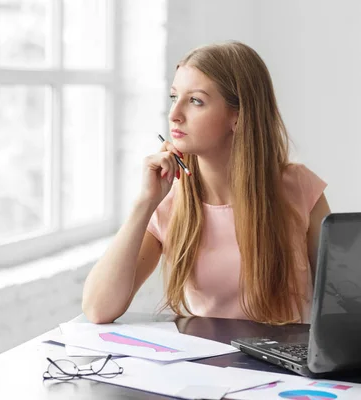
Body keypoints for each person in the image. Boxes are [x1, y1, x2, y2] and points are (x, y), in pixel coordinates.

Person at [82, 41, 330, 325]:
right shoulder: (169, 201)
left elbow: (343, 300)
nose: (174, 114)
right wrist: (144, 203)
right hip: (202, 364)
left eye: (195, 101)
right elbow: (98, 309)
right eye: (174, 97)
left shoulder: (298, 188)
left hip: (278, 367)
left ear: (237, 116)